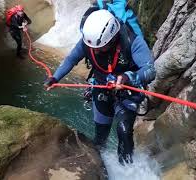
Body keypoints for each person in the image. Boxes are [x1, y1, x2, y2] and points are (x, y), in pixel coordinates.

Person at [44, 9, 155, 164]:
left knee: (124, 131)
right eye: (93, 48)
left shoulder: (132, 41)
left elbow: (150, 70)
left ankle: (127, 168)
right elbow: (71, 59)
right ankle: (99, 166)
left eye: (100, 47)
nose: (95, 51)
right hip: (102, 89)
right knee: (100, 135)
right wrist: (55, 77)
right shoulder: (89, 43)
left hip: (127, 92)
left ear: (112, 38)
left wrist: (127, 78)